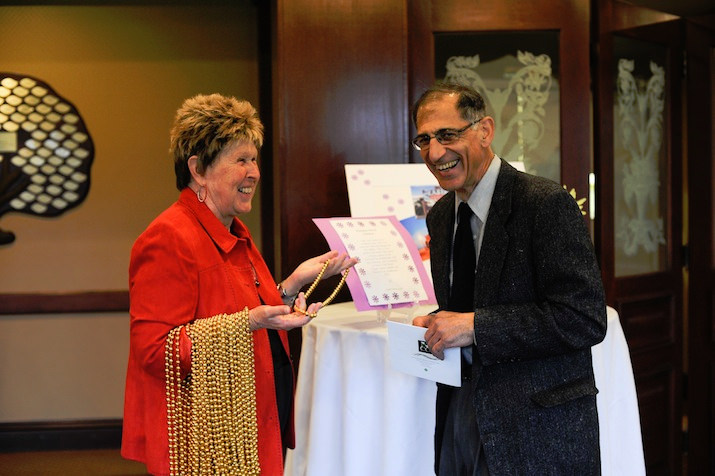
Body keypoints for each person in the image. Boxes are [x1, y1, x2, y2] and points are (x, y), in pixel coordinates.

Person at [121, 93, 357, 476]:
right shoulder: (169, 237)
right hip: (209, 444)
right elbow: (153, 351)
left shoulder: (234, 232)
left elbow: (248, 311)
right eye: (241, 160)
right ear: (198, 169)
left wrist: (293, 284)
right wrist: (246, 323)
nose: (254, 172)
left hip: (250, 429)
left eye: (254, 159)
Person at [411, 82, 607, 475]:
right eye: (424, 140)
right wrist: (439, 324)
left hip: (537, 430)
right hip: (459, 414)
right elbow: (474, 298)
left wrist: (473, 327)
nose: (434, 153)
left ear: (485, 130)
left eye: (448, 135)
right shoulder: (440, 216)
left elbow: (583, 317)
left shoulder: (544, 204)